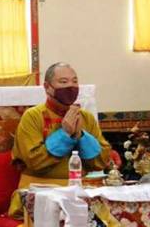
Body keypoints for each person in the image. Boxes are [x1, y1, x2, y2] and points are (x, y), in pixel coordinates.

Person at [10, 62, 110, 216]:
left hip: (79, 193)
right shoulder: (33, 116)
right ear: (47, 87)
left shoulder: (85, 118)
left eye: (74, 81)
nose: (70, 86)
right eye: (63, 82)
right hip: (40, 193)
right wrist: (65, 135)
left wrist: (80, 136)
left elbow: (101, 160)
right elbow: (35, 160)